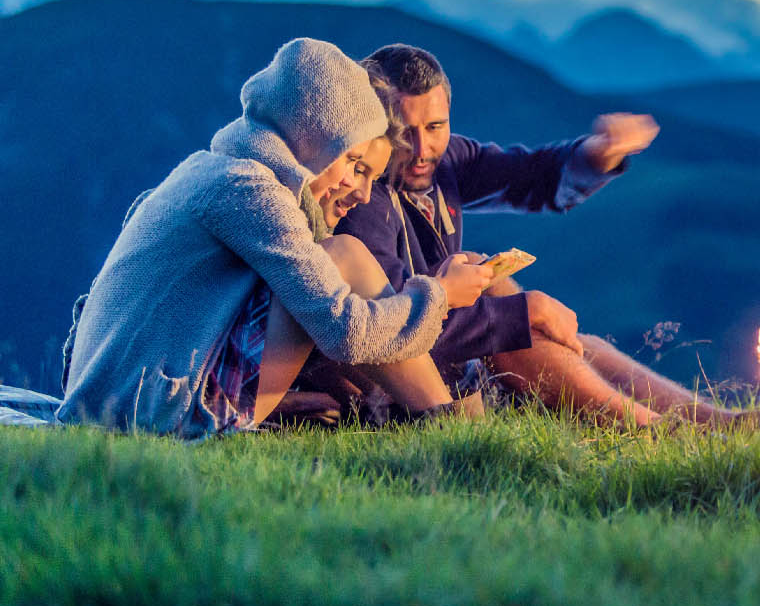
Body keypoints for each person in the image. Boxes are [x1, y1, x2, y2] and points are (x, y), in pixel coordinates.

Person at [58, 38, 494, 437]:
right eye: (356, 165)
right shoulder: (248, 189)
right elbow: (344, 330)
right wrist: (438, 295)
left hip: (125, 398)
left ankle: (431, 419)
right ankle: (453, 432)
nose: (362, 192)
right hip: (150, 412)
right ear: (315, 139)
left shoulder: (213, 172)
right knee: (342, 257)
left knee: (329, 273)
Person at [340, 43, 747, 428]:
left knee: (562, 337)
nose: (422, 147)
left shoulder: (446, 161)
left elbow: (526, 176)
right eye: (403, 131)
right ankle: (663, 433)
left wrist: (599, 152)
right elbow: (387, 324)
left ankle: (720, 423)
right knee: (510, 321)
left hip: (444, 350)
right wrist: (524, 310)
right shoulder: (360, 196)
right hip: (400, 384)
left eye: (435, 127)